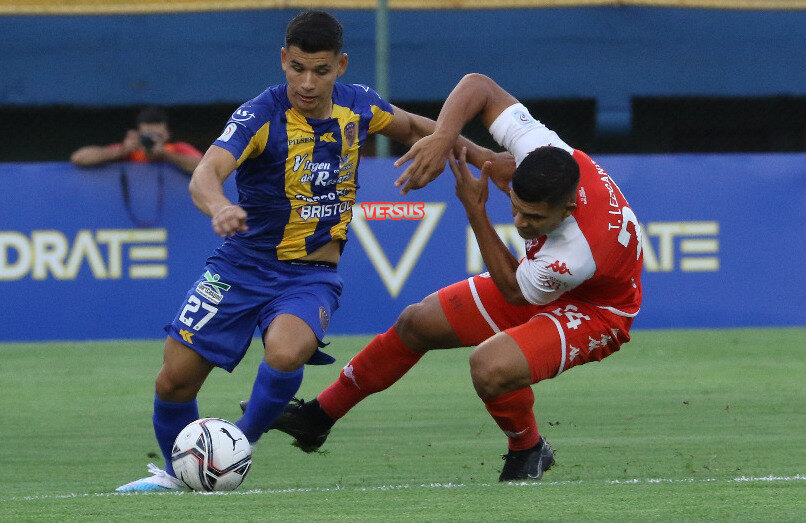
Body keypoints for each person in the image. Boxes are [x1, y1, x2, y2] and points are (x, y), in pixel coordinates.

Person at [116, 13, 510, 492]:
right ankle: (177, 474)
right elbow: (206, 173)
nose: (307, 82)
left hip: (308, 275)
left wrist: (483, 157)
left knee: (288, 351)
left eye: (320, 70)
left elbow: (414, 127)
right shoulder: (260, 116)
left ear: (340, 65)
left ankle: (236, 447)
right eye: (297, 68)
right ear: (284, 59)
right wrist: (219, 207)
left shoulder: (359, 105)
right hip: (241, 266)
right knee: (173, 381)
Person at [257, 73, 644, 482]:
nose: (520, 223)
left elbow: (515, 291)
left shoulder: (577, 251)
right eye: (515, 207)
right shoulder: (544, 150)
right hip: (547, 282)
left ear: (568, 208)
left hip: (597, 309)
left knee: (490, 367)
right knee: (416, 322)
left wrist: (476, 211)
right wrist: (444, 140)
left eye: (534, 217)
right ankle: (319, 417)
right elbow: (479, 87)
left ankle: (528, 449)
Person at [70, 107, 202, 174]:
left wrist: (165, 154)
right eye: (147, 135)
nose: (151, 139)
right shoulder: (129, 150)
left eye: (157, 135)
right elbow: (79, 158)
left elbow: (203, 168)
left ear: (167, 135)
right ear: (138, 134)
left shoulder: (176, 149)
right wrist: (121, 152)